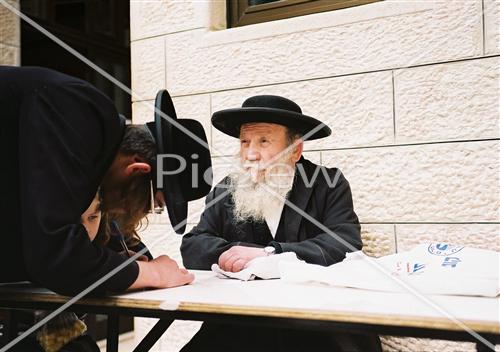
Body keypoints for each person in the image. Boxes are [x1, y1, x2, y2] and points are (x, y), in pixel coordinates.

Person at [180, 95, 382, 352]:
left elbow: (345, 244)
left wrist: (270, 254)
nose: (251, 153)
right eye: (245, 142)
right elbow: (193, 245)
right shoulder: (227, 189)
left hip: (317, 325)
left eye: (264, 141)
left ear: (295, 150)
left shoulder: (327, 184)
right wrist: (234, 255)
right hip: (242, 325)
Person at [0, 66, 211, 296]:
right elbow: (55, 257)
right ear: (137, 169)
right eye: (153, 203)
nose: (143, 213)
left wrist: (123, 262)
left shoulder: (94, 149)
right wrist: (155, 274)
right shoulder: (75, 109)